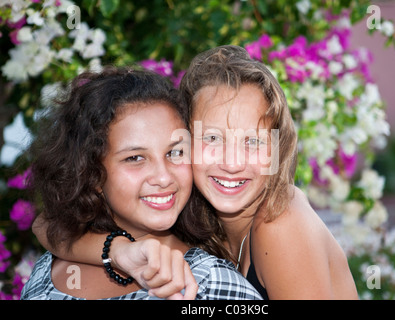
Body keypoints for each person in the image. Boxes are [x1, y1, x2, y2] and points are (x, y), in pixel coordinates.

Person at [33, 46, 358, 299]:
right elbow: (47, 225)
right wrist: (120, 252)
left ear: (277, 149)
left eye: (253, 142)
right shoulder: (195, 212)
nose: (232, 163)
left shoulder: (280, 221)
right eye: (212, 138)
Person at [21, 67, 262, 300]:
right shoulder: (54, 258)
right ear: (92, 174)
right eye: (135, 158)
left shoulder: (211, 284)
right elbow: (45, 224)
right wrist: (117, 252)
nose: (163, 177)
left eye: (175, 153)